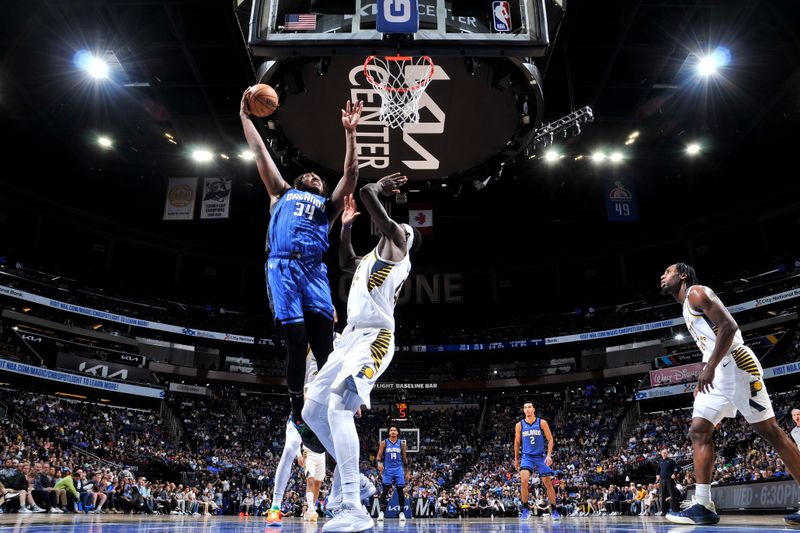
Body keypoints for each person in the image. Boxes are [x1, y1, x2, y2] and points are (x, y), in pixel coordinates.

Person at [240, 88, 363, 451]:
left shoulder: (328, 207)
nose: (313, 176)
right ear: (297, 183)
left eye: (319, 178)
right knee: (296, 344)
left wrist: (351, 132)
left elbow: (351, 174)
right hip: (283, 270)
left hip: (314, 274)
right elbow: (261, 154)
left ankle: (328, 408)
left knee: (326, 350)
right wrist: (246, 119)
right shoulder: (280, 193)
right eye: (308, 175)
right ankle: (297, 410)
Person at [302, 173, 422, 533]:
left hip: (375, 339)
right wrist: (345, 227)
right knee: (312, 409)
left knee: (339, 407)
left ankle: (354, 506)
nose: (393, 230)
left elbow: (369, 193)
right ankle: (358, 482)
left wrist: (377, 191)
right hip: (349, 340)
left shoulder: (399, 246)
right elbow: (345, 261)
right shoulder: (372, 258)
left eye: (395, 229)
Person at [660, 262, 800, 526]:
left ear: (683, 275)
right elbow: (711, 341)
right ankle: (703, 505)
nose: (662, 276)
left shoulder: (697, 293)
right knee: (698, 430)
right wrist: (706, 372)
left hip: (736, 366)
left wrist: (710, 368)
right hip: (717, 373)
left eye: (667, 272)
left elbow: (729, 326)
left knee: (771, 432)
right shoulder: (685, 306)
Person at [514, 401, 559, 520]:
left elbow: (550, 440)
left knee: (548, 483)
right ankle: (525, 509)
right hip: (526, 457)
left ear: (534, 409)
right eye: (525, 407)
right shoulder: (519, 425)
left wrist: (549, 455)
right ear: (523, 410)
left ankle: (554, 510)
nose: (527, 409)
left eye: (529, 407)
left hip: (540, 456)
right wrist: (516, 459)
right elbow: (517, 442)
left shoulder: (542, 422)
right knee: (523, 480)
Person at [376, 425, 410, 522]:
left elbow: (404, 458)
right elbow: (379, 455)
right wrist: (379, 463)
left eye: (395, 430)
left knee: (400, 490)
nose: (393, 431)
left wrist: (407, 472)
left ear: (397, 432)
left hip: (398, 469)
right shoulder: (384, 442)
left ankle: (402, 512)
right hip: (388, 469)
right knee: (385, 489)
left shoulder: (401, 444)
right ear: (389, 432)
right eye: (391, 430)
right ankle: (382, 512)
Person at [656, 448, 681, 515]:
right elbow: (658, 469)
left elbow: (679, 468)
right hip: (662, 480)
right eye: (663, 453)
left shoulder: (671, 461)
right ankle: (664, 511)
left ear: (667, 454)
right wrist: (657, 475)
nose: (664, 454)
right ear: (661, 454)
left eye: (665, 453)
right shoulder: (660, 461)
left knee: (672, 495)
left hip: (669, 480)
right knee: (662, 495)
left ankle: (674, 510)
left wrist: (674, 474)